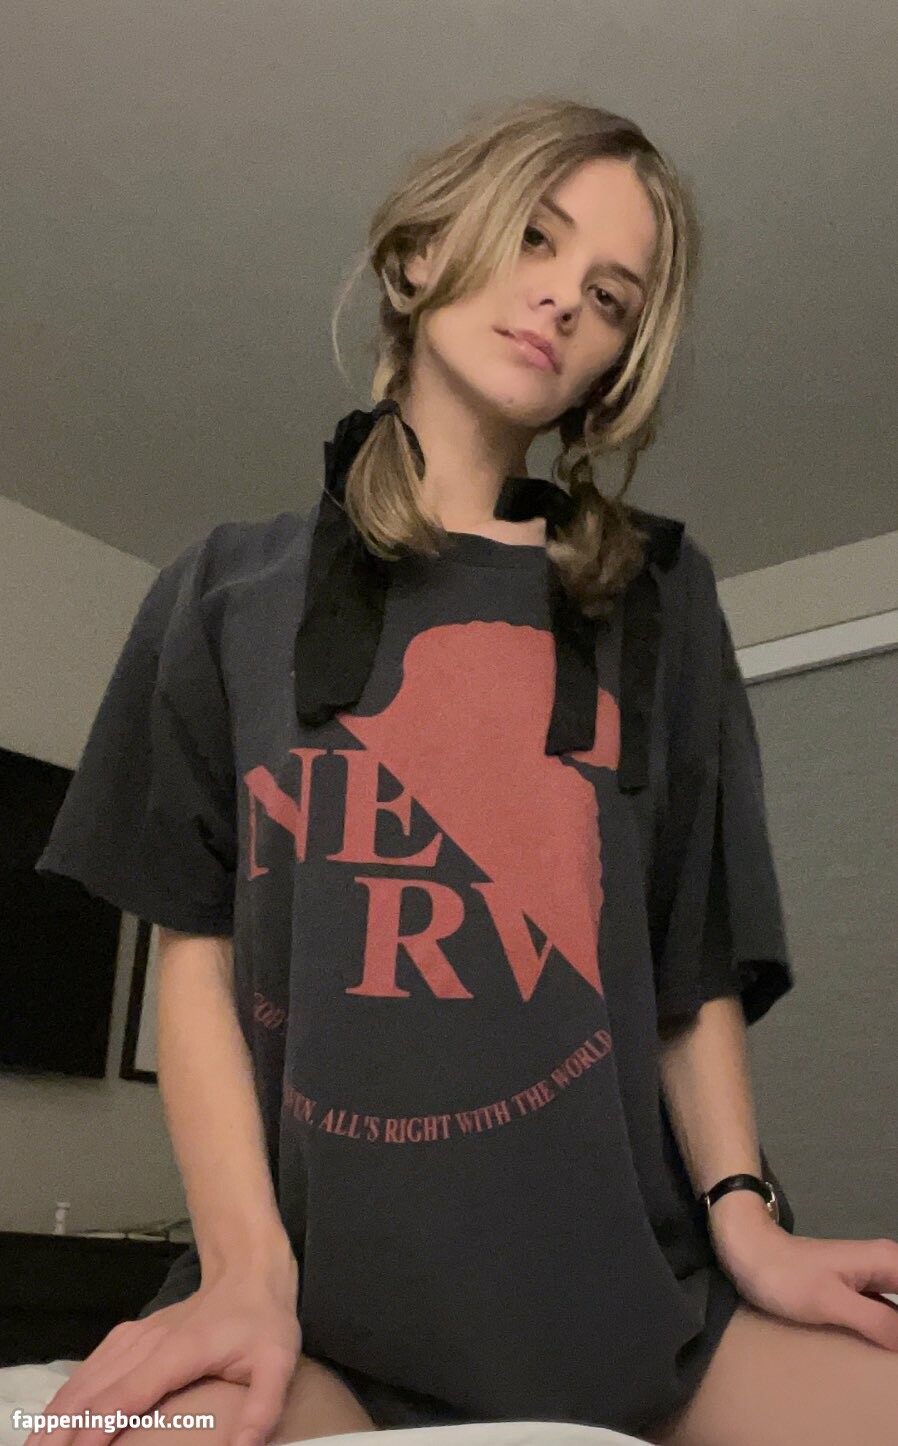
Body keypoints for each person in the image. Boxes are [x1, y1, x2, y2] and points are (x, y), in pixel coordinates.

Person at [30, 95, 898, 1446]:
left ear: (612, 362)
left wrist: (748, 1221)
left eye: (609, 297)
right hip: (320, 1319)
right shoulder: (220, 592)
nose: (561, 299)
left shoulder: (661, 601)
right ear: (418, 252)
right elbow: (196, 954)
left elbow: (686, 965)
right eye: (535, 237)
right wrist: (246, 1273)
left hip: (640, 1313)